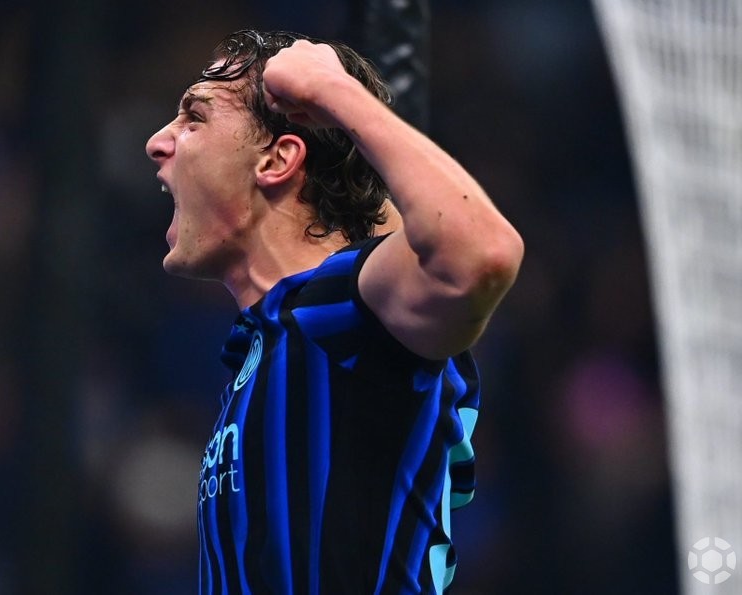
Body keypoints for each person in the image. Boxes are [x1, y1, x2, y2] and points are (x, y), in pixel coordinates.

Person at [144, 29, 523, 594]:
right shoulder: (268, 343)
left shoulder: (343, 310)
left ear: (277, 159)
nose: (157, 142)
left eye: (194, 118)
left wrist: (332, 92)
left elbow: (482, 253)